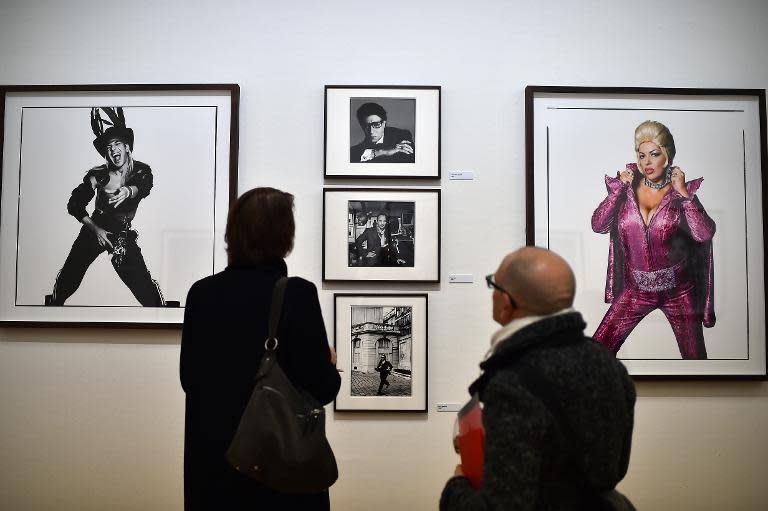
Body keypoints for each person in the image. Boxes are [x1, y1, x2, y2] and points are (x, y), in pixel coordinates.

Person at [180, 187, 341, 511]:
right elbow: (322, 388)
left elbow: (189, 380)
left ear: (233, 234)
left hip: (214, 474)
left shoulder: (201, 294)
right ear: (285, 237)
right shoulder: (296, 295)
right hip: (280, 474)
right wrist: (329, 361)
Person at [440, 247, 636, 510]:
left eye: (493, 285)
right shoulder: (609, 363)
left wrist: (456, 487)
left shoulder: (513, 383)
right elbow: (615, 469)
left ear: (506, 302)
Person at [591, 120, 716, 359]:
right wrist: (617, 190)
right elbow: (598, 225)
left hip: (679, 291)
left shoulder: (680, 193)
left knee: (696, 361)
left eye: (654, 154)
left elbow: (703, 234)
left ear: (667, 155)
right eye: (641, 156)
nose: (646, 162)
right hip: (635, 289)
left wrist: (684, 195)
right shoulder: (625, 191)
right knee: (596, 353)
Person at [45, 107, 165, 306]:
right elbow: (75, 204)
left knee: (143, 287)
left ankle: (160, 315)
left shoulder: (141, 171)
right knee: (69, 276)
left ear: (127, 147)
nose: (113, 150)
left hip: (121, 233)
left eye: (117, 144)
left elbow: (146, 184)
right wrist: (96, 230)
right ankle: (50, 310)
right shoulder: (98, 175)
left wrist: (129, 191)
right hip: (95, 226)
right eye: (109, 147)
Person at [350, 102, 414, 163]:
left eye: (376, 124)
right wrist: (381, 152)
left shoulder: (402, 136)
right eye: (366, 126)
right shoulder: (355, 151)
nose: (371, 131)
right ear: (361, 126)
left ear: (384, 123)